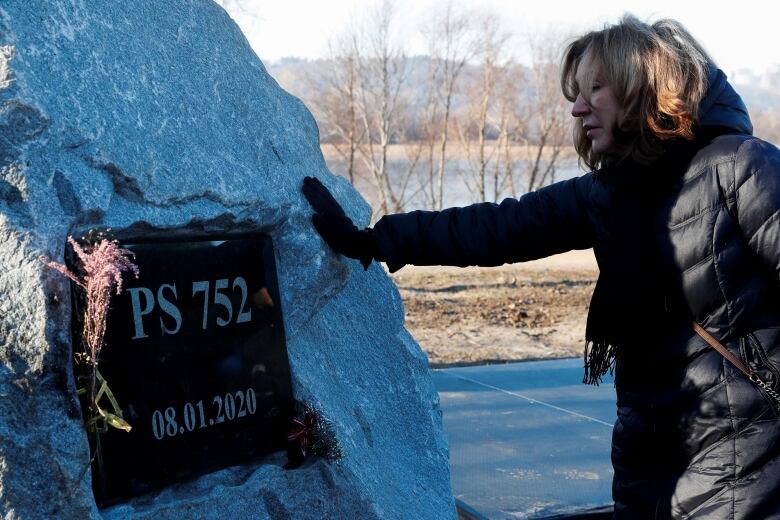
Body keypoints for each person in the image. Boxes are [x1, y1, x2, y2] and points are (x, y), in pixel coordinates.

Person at [302, 15, 780, 519]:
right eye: (577, 92)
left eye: (596, 89)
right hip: (649, 455)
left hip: (746, 456)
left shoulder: (741, 167)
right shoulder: (609, 192)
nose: (576, 108)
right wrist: (375, 238)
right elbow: (499, 227)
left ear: (644, 87)